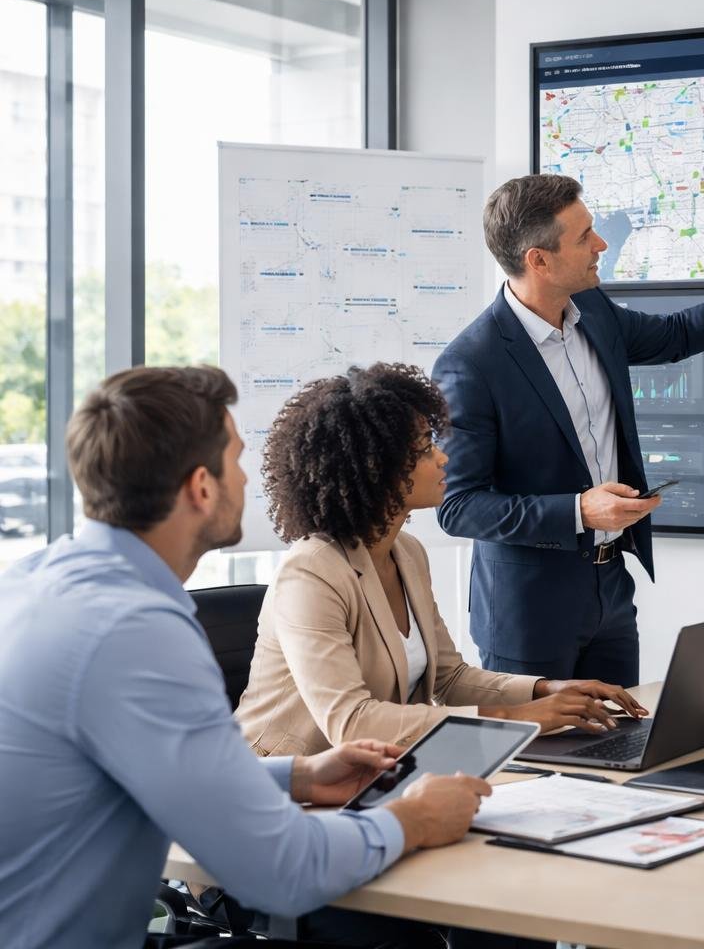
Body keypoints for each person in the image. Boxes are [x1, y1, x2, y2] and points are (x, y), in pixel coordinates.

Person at [0, 366, 493, 948]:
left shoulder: (37, 582)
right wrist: (413, 820)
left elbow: (133, 772)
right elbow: (283, 870)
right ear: (201, 487)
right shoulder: (135, 631)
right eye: (235, 459)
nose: (246, 477)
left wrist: (299, 776)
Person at [433, 173, 704, 685]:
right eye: (584, 237)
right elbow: (458, 507)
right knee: (538, 760)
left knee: (618, 751)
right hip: (527, 612)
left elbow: (675, 336)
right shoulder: (471, 363)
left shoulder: (594, 311)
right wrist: (579, 510)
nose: (601, 244)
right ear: (539, 259)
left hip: (611, 588)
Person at [236, 362, 648, 756]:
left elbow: (450, 678)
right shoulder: (311, 572)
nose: (443, 458)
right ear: (376, 470)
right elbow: (351, 722)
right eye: (424, 450)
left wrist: (546, 691)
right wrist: (517, 718)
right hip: (287, 785)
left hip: (377, 771)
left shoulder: (407, 553)